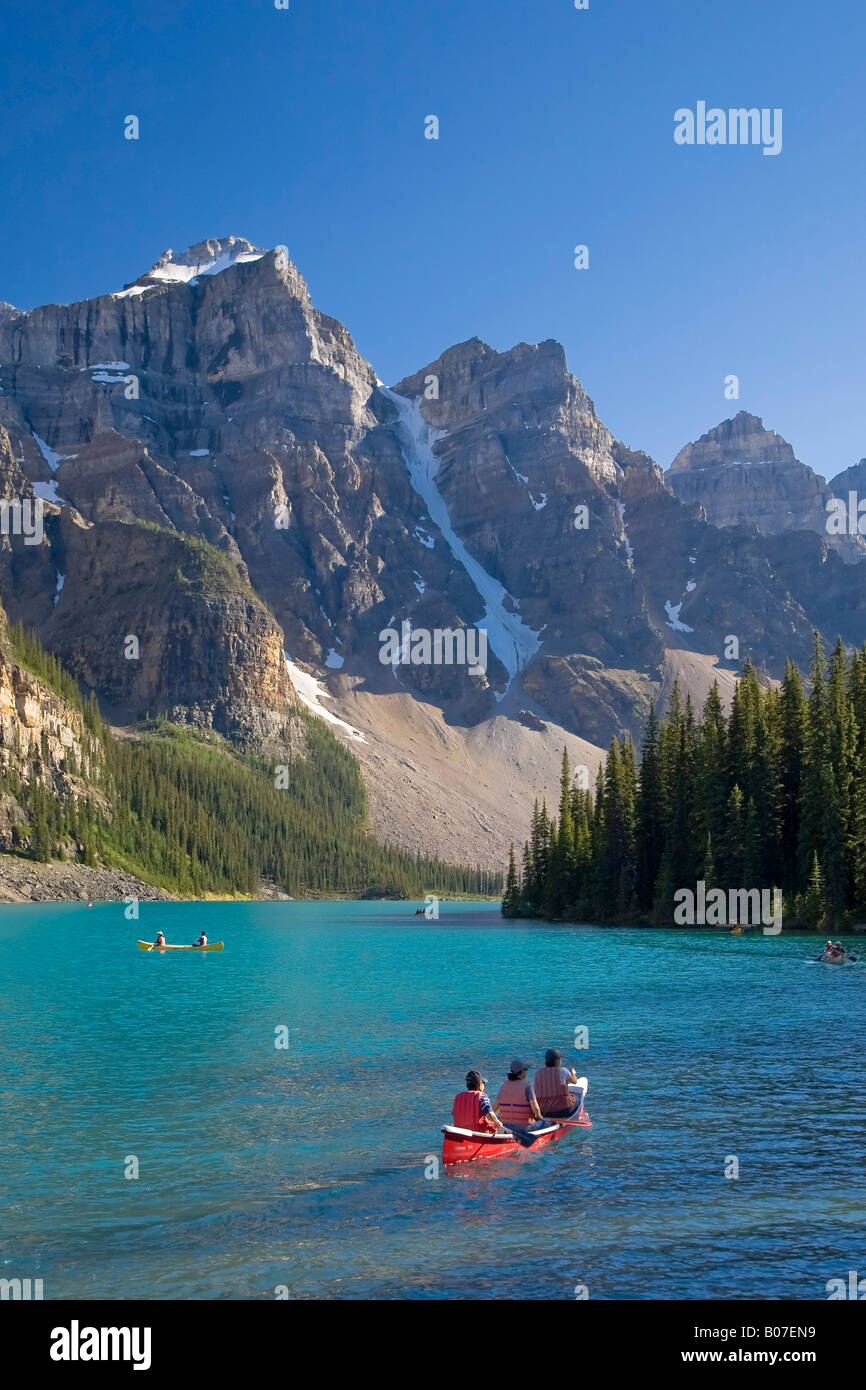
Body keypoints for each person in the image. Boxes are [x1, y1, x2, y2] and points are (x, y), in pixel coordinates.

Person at [494, 1058, 546, 1135]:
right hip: (524, 1128)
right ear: (521, 1071)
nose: (526, 1072)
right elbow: (535, 1108)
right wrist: (540, 1117)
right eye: (526, 1069)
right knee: (547, 1123)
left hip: (505, 1126)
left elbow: (494, 1107)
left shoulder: (504, 1085)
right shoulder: (527, 1086)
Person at [533, 1048, 588, 1119]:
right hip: (564, 1110)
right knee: (577, 1100)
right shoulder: (563, 1071)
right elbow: (575, 1081)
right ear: (557, 1061)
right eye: (560, 1059)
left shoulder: (538, 1073)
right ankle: (580, 1116)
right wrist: (573, 1073)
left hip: (544, 1111)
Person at [452, 1070, 506, 1134]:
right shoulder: (482, 1096)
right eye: (483, 1083)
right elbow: (489, 1114)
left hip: (461, 1133)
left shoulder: (458, 1097)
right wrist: (497, 1122)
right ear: (479, 1084)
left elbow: (454, 1114)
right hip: (480, 1134)